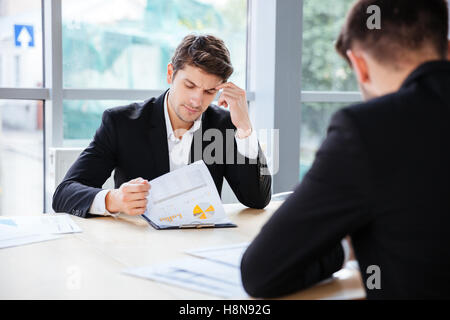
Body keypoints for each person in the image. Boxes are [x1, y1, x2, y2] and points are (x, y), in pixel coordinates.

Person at [241, 0, 450, 299]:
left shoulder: (367, 129)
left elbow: (261, 272)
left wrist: (342, 244)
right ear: (448, 48)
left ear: (360, 66)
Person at [52, 34, 271, 218]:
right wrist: (113, 199)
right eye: (189, 85)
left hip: (200, 243)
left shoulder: (224, 125)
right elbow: (64, 193)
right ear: (170, 74)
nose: (197, 100)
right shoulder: (121, 123)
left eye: (209, 92)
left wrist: (244, 128)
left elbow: (257, 199)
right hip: (138, 247)